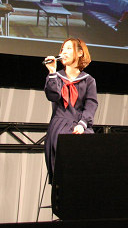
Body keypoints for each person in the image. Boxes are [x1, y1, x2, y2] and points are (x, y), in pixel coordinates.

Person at [43, 38, 98, 183]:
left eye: (68, 48)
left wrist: (82, 124)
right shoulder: (55, 77)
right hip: (60, 126)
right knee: (62, 175)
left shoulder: (88, 80)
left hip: (81, 125)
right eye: (62, 49)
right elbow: (52, 96)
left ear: (80, 53)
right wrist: (52, 72)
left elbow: (91, 104)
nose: (64, 52)